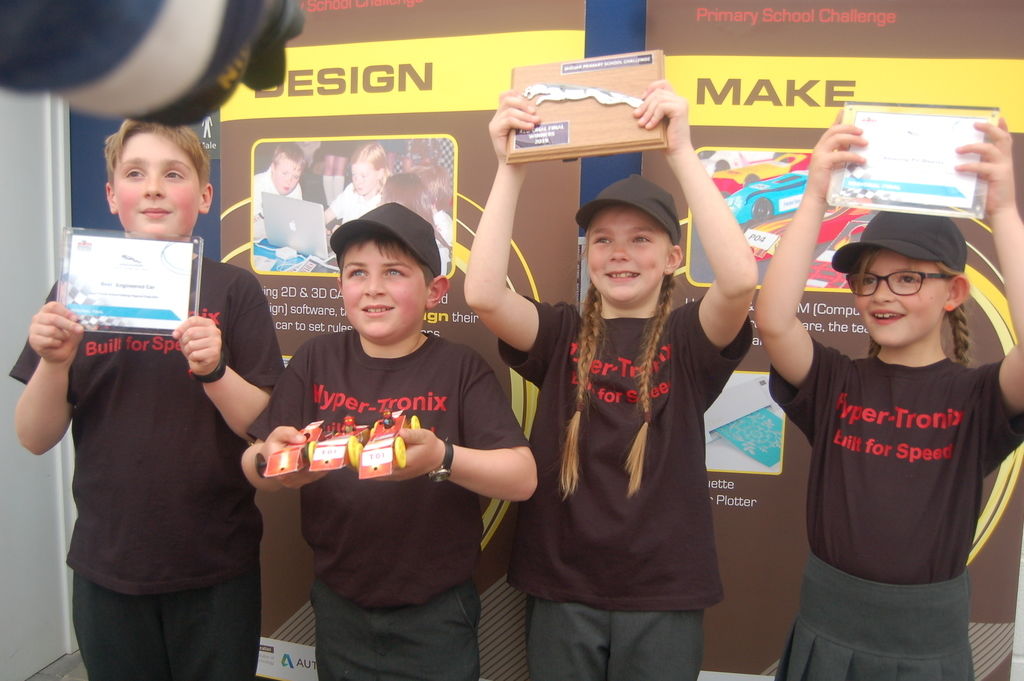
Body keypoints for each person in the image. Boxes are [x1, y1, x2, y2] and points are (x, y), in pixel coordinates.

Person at [465, 82, 757, 681]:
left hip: (665, 591)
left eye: (641, 238)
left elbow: (737, 282)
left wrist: (682, 150)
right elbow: (485, 294)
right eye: (603, 240)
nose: (619, 253)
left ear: (673, 258)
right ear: (587, 255)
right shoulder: (559, 333)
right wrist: (510, 165)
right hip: (561, 584)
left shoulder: (688, 338)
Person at [10, 120, 283, 681]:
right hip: (107, 563)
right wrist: (55, 363)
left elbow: (262, 426)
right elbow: (34, 438)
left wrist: (215, 370)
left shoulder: (235, 291)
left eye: (173, 174)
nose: (154, 187)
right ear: (112, 196)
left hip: (216, 564)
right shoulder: (76, 292)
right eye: (135, 174)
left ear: (204, 196)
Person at [754, 119, 1024, 679]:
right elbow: (775, 321)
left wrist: (1002, 211)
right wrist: (814, 197)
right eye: (869, 280)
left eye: (906, 279)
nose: (882, 295)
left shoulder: (978, 398)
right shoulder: (836, 382)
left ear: (954, 291)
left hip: (926, 646)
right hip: (827, 630)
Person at [241, 201, 536, 681]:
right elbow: (256, 464)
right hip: (338, 603)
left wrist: (441, 457)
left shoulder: (460, 368)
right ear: (340, 285)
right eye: (357, 272)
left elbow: (522, 478)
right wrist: (269, 462)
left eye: (394, 272)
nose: (373, 288)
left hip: (437, 611)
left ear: (434, 291)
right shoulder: (316, 359)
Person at [324, 141, 390, 227]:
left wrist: (343, 231)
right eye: (354, 175)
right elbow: (327, 215)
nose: (357, 182)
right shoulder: (351, 191)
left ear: (380, 174)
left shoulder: (383, 204)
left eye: (363, 176)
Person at [252, 141, 306, 241]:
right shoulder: (255, 185)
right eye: (285, 173)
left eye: (295, 177)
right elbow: (252, 230)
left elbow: (297, 221)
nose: (289, 180)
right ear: (273, 167)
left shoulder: (296, 188)